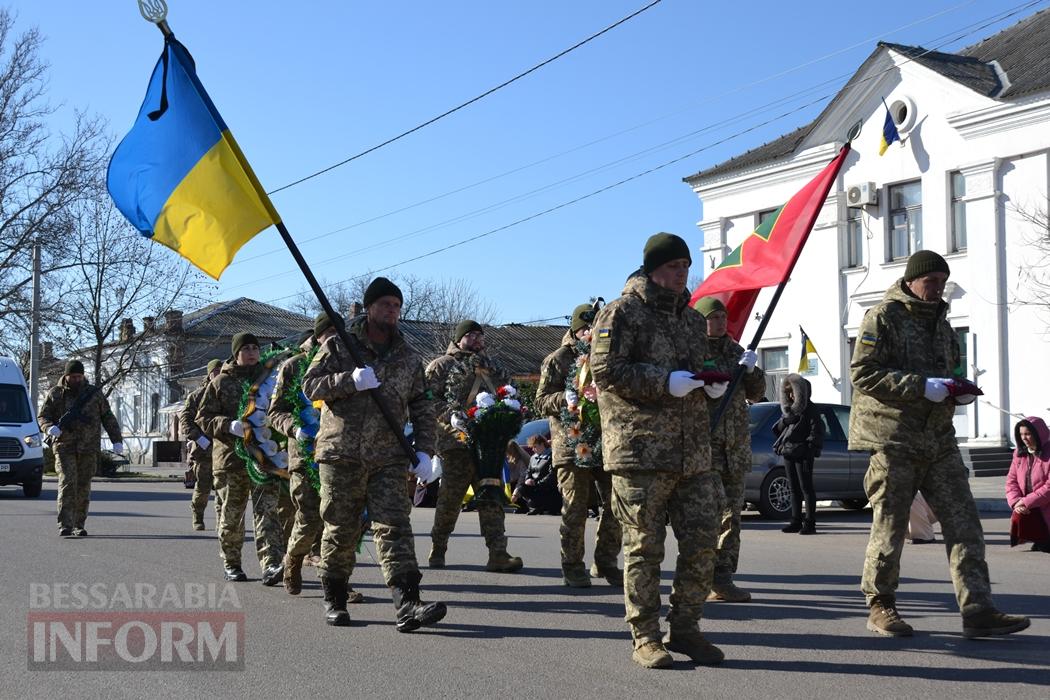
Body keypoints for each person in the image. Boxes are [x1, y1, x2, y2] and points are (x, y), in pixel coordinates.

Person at [849, 249, 1029, 639]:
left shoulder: (943, 324)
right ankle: (881, 605)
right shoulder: (882, 316)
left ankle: (977, 608)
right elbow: (862, 373)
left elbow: (949, 372)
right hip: (894, 439)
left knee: (965, 523)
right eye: (931, 282)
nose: (937, 290)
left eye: (942, 283)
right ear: (912, 281)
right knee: (891, 527)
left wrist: (955, 392)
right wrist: (920, 387)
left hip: (939, 441)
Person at [591, 232, 724, 669]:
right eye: (672, 266)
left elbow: (694, 370)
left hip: (693, 452)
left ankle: (686, 627)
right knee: (645, 549)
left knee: (704, 542)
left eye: (686, 265)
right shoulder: (621, 313)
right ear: (652, 269)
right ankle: (645, 636)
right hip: (641, 451)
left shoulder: (689, 319)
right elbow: (606, 369)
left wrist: (712, 381)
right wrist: (662, 381)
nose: (681, 272)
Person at [302, 277, 445, 630]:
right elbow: (309, 387)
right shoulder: (341, 346)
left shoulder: (409, 358)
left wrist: (426, 451)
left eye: (396, 306)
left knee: (395, 526)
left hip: (390, 457)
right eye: (385, 305)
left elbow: (423, 408)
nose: (392, 311)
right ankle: (335, 599)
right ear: (369, 308)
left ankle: (408, 603)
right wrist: (350, 381)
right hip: (341, 454)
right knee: (341, 529)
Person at [267, 312, 364, 602]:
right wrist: (295, 428)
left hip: (341, 455)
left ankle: (338, 584)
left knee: (341, 521)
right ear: (318, 334)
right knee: (309, 518)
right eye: (330, 331)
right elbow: (275, 411)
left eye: (340, 332)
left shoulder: (351, 364)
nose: (335, 337)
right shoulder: (294, 367)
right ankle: (293, 560)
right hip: (305, 456)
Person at [536, 302, 622, 589]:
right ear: (574, 330)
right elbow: (540, 400)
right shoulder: (557, 360)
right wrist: (566, 398)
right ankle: (572, 565)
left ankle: (606, 561)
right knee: (575, 508)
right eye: (585, 328)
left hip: (603, 444)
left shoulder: (605, 356)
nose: (589, 333)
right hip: (571, 446)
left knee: (615, 504)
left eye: (593, 328)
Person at [426, 319, 523, 573]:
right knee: (450, 498)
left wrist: (508, 416)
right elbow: (425, 399)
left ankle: (498, 553)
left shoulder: (493, 367)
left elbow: (509, 393)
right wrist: (450, 415)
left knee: (491, 497)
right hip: (455, 444)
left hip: (489, 447)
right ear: (459, 339)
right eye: (471, 335)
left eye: (481, 336)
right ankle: (438, 548)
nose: (477, 340)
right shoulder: (442, 366)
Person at [197, 333, 286, 585]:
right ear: (236, 354)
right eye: (245, 348)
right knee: (232, 515)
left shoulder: (269, 378)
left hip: (264, 458)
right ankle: (232, 563)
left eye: (255, 348)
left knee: (267, 512)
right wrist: (228, 425)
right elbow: (203, 418)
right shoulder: (222, 382)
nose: (252, 353)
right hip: (231, 460)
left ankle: (271, 564)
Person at [692, 297, 765, 602]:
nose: (721, 322)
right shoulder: (691, 352)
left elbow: (757, 393)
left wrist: (751, 371)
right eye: (714, 317)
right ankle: (700, 577)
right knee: (707, 517)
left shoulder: (736, 352)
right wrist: (701, 387)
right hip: (704, 447)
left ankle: (723, 579)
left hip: (734, 447)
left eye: (723, 316)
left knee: (732, 517)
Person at [38, 360, 124, 537]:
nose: (77, 380)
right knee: (68, 482)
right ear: (66, 376)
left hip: (88, 447)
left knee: (84, 485)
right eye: (74, 376)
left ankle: (79, 524)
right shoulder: (55, 393)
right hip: (64, 446)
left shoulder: (94, 394)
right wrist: (48, 427)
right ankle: (65, 524)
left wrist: (117, 440)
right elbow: (43, 416)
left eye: (80, 376)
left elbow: (108, 417)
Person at [772, 373, 824, 535]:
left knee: (806, 488)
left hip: (803, 454)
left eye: (794, 392)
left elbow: (817, 430)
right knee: (793, 489)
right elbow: (779, 430)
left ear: (804, 392)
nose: (791, 395)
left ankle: (810, 523)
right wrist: (786, 421)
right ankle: (795, 521)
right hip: (788, 452)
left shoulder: (811, 409)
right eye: (789, 392)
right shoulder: (790, 410)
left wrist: (809, 448)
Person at [180, 359, 224, 531]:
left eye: (222, 370)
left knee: (223, 488)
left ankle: (223, 521)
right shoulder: (197, 396)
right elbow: (186, 421)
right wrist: (198, 438)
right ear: (209, 374)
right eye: (216, 371)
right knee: (203, 487)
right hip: (204, 449)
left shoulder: (227, 392)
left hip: (224, 449)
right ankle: (198, 516)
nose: (219, 374)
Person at [1005, 416, 1050, 552]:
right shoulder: (1019, 453)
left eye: (1028, 434)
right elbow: (1011, 481)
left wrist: (1026, 501)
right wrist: (1016, 502)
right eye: (1021, 434)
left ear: (1039, 433)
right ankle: (1039, 538)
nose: (1024, 438)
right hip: (1028, 503)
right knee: (1019, 515)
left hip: (1045, 503)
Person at [516, 435, 562, 515]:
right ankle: (534, 507)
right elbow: (529, 471)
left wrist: (537, 483)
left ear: (542, 444)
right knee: (521, 488)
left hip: (546, 486)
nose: (533, 449)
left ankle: (541, 506)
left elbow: (552, 474)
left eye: (535, 447)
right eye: (532, 447)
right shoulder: (533, 457)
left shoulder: (551, 456)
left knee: (540, 492)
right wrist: (528, 480)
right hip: (533, 484)